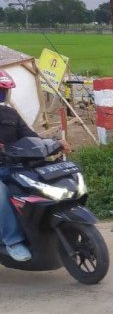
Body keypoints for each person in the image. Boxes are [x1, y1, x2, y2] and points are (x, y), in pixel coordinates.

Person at [0, 71, 70, 261]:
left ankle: (42, 229)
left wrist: (54, 143)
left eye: (2, 92)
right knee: (2, 194)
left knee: (41, 187)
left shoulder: (10, 114)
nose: (1, 96)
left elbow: (31, 137)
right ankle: (13, 241)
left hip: (16, 166)